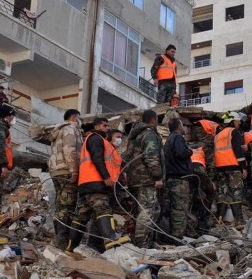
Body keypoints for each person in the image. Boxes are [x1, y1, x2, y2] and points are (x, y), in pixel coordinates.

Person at [65, 118, 129, 257]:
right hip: (96, 182)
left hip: (86, 183)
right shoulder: (96, 138)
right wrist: (106, 177)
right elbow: (97, 158)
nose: (107, 128)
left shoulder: (97, 140)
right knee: (103, 209)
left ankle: (70, 248)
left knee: (82, 216)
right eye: (105, 125)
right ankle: (110, 239)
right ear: (97, 126)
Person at [123, 110, 164, 249]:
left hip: (133, 180)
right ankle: (142, 246)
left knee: (141, 211)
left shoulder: (134, 136)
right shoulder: (149, 135)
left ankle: (142, 242)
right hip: (146, 180)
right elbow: (151, 156)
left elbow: (126, 157)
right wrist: (157, 177)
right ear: (153, 120)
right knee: (146, 212)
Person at [48, 109, 83, 250]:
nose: (80, 122)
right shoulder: (70, 129)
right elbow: (70, 149)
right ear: (74, 117)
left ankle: (60, 237)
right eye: (79, 118)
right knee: (67, 206)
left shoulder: (57, 132)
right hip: (67, 171)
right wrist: (74, 169)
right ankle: (63, 239)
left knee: (61, 204)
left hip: (56, 171)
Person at [214, 111, 247, 229]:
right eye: (238, 121)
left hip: (220, 169)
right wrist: (243, 167)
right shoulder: (234, 132)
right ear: (233, 121)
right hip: (233, 167)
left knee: (222, 193)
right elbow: (238, 150)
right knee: (236, 192)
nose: (239, 123)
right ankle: (239, 221)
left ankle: (219, 220)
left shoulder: (218, 135)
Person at [164, 118, 193, 243]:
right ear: (178, 126)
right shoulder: (178, 138)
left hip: (170, 178)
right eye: (182, 125)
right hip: (179, 179)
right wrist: (190, 151)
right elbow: (181, 153)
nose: (184, 128)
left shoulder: (169, 139)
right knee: (179, 209)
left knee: (173, 208)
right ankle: (177, 237)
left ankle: (173, 236)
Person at [0, 105, 15, 244]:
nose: (13, 119)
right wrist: (3, 165)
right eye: (12, 116)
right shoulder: (0, 125)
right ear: (8, 115)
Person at [188, 145, 215, 234]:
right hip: (199, 170)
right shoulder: (205, 148)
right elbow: (211, 165)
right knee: (210, 193)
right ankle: (202, 224)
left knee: (191, 195)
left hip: (187, 171)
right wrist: (211, 181)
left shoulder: (188, 146)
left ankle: (191, 223)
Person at [190, 120, 219, 186]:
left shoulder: (213, 124)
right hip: (200, 128)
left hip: (194, 127)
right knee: (209, 146)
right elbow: (212, 142)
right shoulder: (219, 129)